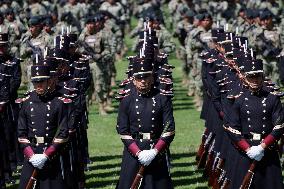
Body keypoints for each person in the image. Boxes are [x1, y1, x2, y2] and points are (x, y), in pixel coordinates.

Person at [116, 32, 175, 188]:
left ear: (152, 77)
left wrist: (154, 151)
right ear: (133, 80)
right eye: (139, 78)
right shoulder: (127, 100)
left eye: (146, 77)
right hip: (133, 152)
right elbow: (123, 130)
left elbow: (169, 129)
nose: (143, 81)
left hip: (156, 150)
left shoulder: (163, 98)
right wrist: (138, 152)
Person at [225, 58, 284, 189]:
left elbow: (279, 126)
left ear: (262, 77)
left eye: (257, 76)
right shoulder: (239, 100)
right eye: (251, 77)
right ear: (245, 78)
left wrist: (262, 147)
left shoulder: (272, 99)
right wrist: (248, 149)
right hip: (245, 152)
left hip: (267, 150)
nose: (255, 80)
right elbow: (232, 128)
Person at [17, 63, 70, 189]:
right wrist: (31, 155)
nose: (38, 85)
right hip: (32, 155)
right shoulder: (27, 103)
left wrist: (46, 155)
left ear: (49, 82)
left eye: (42, 82)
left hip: (50, 155)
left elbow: (63, 133)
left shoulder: (58, 103)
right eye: (36, 82)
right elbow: (21, 133)